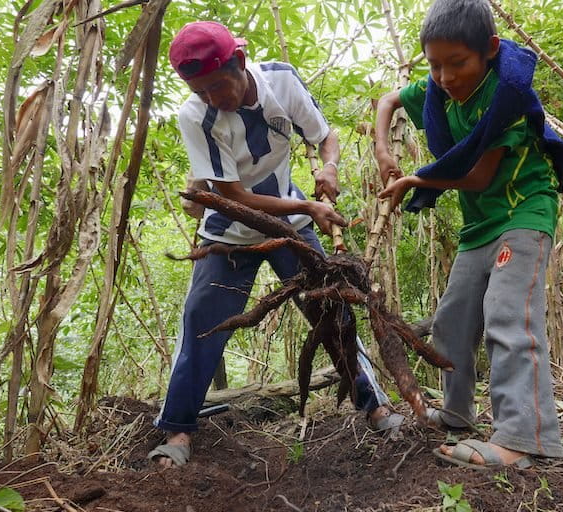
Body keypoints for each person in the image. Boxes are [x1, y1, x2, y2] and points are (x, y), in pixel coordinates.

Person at [149, 21, 402, 468]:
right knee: (202, 327)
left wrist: (330, 167)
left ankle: (375, 406)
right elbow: (234, 198)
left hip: (289, 225)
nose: (212, 98)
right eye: (200, 91)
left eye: (217, 86)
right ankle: (178, 430)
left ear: (240, 64)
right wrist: (306, 210)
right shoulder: (196, 116)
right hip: (228, 233)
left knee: (333, 314)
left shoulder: (282, 80)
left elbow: (324, 136)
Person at [374, 0, 563, 468]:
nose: (445, 77)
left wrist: (417, 178)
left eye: (457, 63)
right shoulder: (438, 89)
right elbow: (388, 101)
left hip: (524, 214)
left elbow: (479, 177)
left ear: (489, 51)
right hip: (480, 226)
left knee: (508, 316)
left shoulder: (509, 96)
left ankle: (522, 438)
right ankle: (457, 414)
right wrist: (383, 151)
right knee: (453, 320)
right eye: (435, 64)